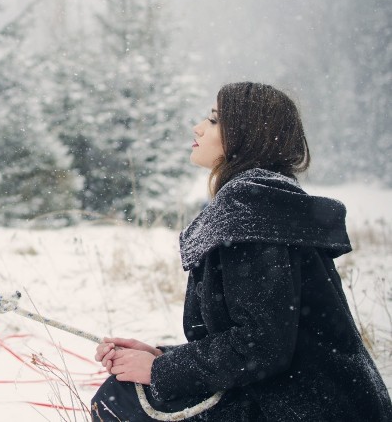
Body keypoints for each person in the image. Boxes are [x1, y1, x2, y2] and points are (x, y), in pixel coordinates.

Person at [91, 82, 392, 421]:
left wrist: (161, 372)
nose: (198, 127)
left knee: (117, 400)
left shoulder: (252, 208)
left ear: (249, 134)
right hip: (332, 402)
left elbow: (262, 346)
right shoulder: (267, 200)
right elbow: (267, 337)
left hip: (304, 409)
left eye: (215, 120)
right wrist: (161, 358)